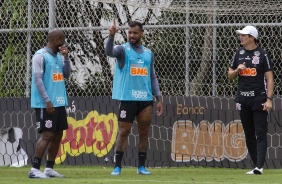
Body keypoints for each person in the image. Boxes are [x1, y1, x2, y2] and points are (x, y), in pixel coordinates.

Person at [105, 20, 163, 175]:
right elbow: (109, 52)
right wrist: (111, 36)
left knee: (144, 132)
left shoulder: (148, 53)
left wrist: (159, 98)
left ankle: (141, 167)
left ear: (141, 34)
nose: (132, 35)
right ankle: (117, 166)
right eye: (130, 32)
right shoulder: (122, 50)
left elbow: (152, 77)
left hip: (145, 100)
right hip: (128, 98)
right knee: (124, 131)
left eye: (135, 33)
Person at [228, 25, 274, 175]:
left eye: (244, 35)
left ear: (252, 37)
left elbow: (269, 77)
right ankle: (255, 165)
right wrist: (237, 70)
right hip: (243, 99)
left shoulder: (262, 54)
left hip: (259, 97)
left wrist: (269, 99)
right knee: (248, 133)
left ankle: (259, 166)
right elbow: (230, 76)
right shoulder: (238, 53)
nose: (241, 37)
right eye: (240, 35)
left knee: (260, 132)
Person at [28, 29, 71, 178]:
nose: (64, 41)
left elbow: (66, 75)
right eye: (63, 38)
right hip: (46, 103)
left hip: (59, 102)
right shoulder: (40, 56)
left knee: (58, 134)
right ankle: (34, 169)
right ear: (57, 38)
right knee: (47, 135)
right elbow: (38, 80)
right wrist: (47, 100)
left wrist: (66, 58)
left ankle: (49, 168)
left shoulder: (59, 56)